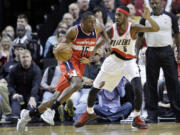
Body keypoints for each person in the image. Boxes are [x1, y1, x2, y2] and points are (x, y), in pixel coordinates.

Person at [16, 11, 109, 132]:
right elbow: (61, 48)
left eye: (93, 21)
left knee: (55, 96)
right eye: (89, 22)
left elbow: (104, 35)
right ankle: (52, 110)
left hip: (80, 65)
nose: (92, 24)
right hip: (69, 61)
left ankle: (28, 115)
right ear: (82, 23)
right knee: (77, 84)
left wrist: (97, 49)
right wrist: (58, 49)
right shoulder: (74, 31)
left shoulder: (97, 26)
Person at [74, 5, 159, 129]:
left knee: (137, 89)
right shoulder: (111, 29)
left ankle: (136, 117)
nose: (116, 17)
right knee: (94, 89)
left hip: (129, 62)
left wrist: (148, 18)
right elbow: (100, 43)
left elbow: (155, 28)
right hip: (113, 61)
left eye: (119, 15)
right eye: (116, 15)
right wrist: (90, 54)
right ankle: (89, 112)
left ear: (126, 16)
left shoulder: (133, 27)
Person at [136, 0, 180, 123]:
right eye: (152, 3)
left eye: (156, 3)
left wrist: (179, 51)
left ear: (162, 3)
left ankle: (178, 113)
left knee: (173, 83)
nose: (154, 5)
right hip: (151, 52)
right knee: (151, 84)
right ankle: (152, 115)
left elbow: (177, 35)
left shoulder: (170, 17)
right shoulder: (144, 19)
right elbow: (139, 38)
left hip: (167, 51)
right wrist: (136, 53)